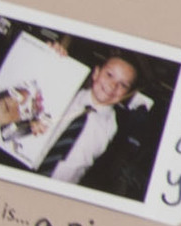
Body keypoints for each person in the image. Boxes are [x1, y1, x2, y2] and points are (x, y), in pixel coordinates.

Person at [35, 54, 146, 199]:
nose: (113, 86)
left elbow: (100, 177)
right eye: (109, 75)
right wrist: (52, 56)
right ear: (96, 73)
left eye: (123, 85)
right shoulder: (67, 92)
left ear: (127, 94)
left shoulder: (115, 132)